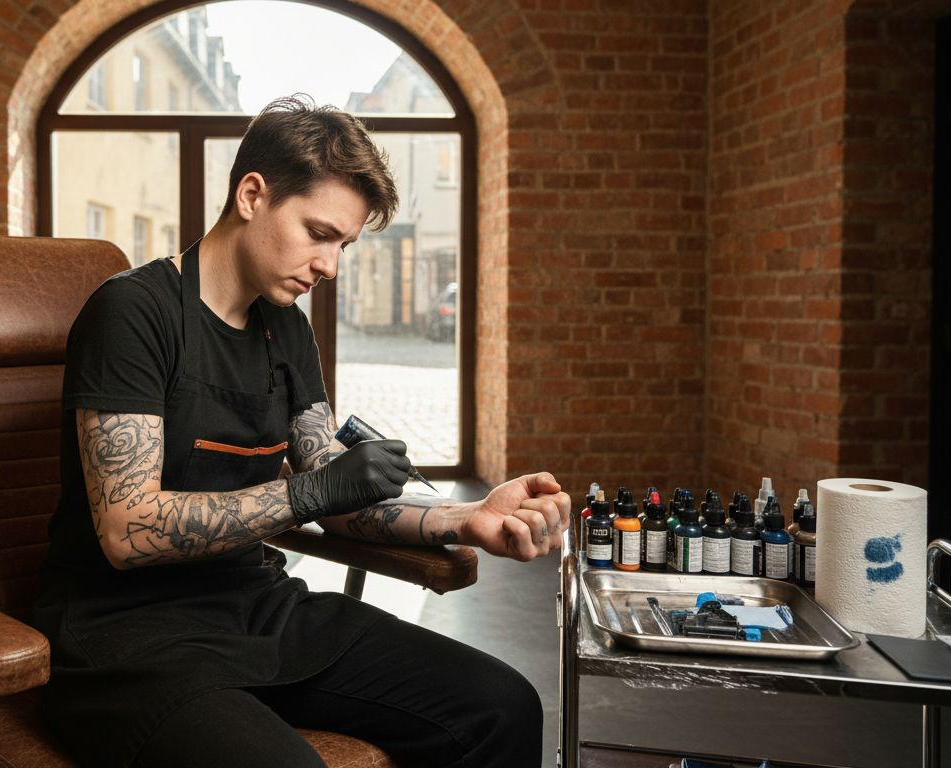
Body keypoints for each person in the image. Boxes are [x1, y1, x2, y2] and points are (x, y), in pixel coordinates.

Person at [33, 95, 570, 768]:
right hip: (122, 639)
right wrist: (312, 493)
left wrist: (469, 517)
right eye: (319, 233)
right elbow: (127, 532)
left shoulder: (283, 325)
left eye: (343, 244)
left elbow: (336, 492)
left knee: (501, 704)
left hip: (252, 605)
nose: (330, 267)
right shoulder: (133, 313)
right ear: (253, 194)